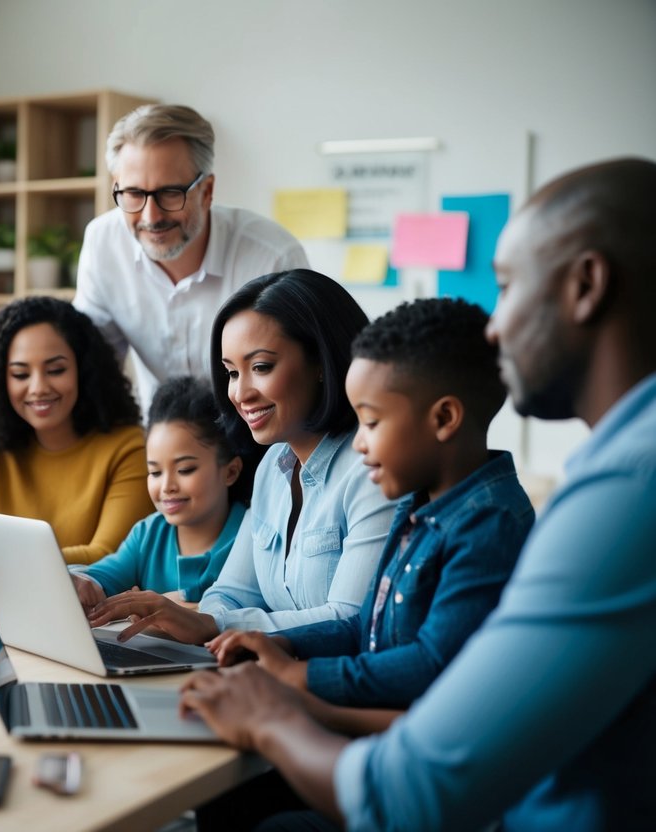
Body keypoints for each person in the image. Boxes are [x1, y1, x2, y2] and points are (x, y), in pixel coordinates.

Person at [178, 157, 656, 831]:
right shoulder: (611, 465)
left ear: (585, 285)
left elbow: (414, 785)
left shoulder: (626, 485)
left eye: (508, 286)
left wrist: (275, 711)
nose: (492, 329)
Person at [192, 298, 535, 830]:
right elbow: (364, 627)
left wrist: (299, 678)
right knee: (222, 799)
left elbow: (428, 664)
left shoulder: (490, 523)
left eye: (371, 423)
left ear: (444, 418)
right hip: (378, 737)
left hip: (430, 784)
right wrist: (281, 645)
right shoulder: (419, 507)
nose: (358, 444)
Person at [89, 269, 396, 643]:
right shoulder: (272, 465)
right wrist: (192, 624)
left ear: (321, 362)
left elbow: (350, 619)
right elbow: (230, 593)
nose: (240, 393)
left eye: (261, 367)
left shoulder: (373, 468)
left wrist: (214, 625)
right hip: (259, 671)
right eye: (232, 372)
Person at [73, 103, 308, 411]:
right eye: (133, 193)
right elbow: (92, 365)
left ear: (207, 191)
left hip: (261, 443)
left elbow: (305, 378)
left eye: (170, 192)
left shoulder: (272, 257)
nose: (151, 216)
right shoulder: (103, 242)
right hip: (161, 445)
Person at [0, 295, 153, 564]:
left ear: (83, 370)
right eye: (21, 374)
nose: (38, 388)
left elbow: (108, 557)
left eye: (56, 370)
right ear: (0, 380)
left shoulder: (128, 446)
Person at [71, 375, 251, 609]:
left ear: (230, 472)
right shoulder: (148, 534)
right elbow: (99, 577)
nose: (167, 486)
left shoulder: (251, 537)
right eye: (155, 472)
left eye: (185, 469)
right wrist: (81, 582)